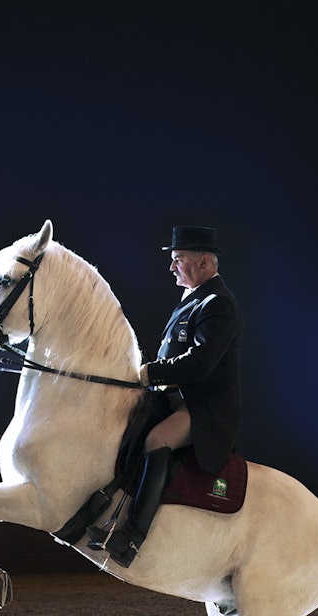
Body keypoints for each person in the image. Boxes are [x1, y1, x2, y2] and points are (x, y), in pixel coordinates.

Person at [87, 225, 244, 567]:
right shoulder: (194, 300)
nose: (171, 267)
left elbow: (199, 364)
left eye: (178, 259)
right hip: (173, 399)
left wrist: (149, 373)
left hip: (204, 407)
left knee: (157, 440)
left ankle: (132, 536)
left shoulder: (219, 304)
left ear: (204, 262)